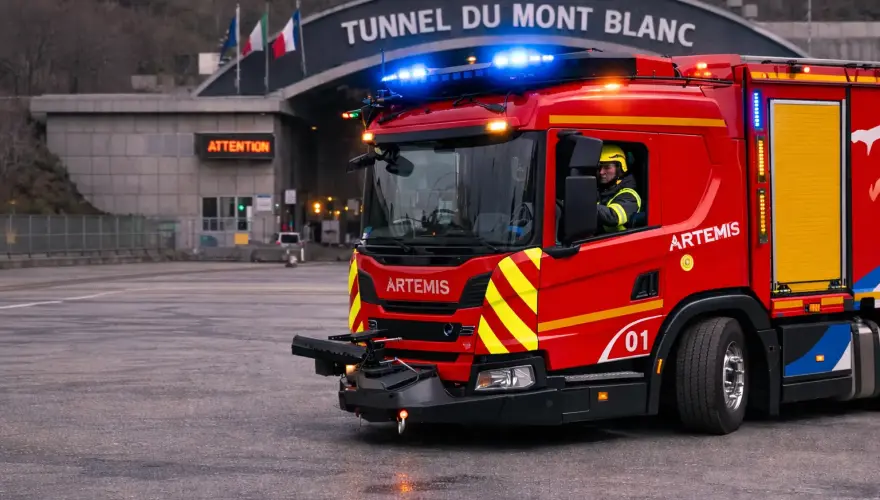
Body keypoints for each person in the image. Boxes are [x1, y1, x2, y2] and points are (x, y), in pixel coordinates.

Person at [596, 144, 642, 233]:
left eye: (607, 167)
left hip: (621, 244)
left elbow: (613, 217)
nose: (601, 172)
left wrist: (583, 206)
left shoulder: (630, 195)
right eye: (599, 167)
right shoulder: (600, 188)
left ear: (620, 168)